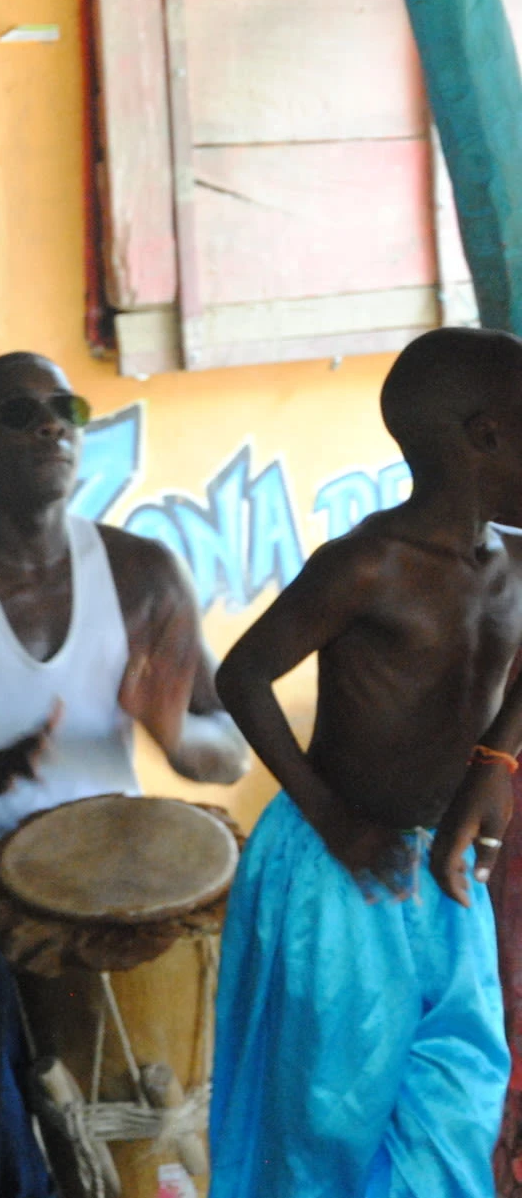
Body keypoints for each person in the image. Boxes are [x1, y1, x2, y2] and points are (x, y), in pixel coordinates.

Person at [0, 351, 247, 1198]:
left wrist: (174, 732)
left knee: (264, 925)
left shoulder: (145, 573)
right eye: (21, 414)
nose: (52, 426)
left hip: (124, 856)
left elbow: (229, 749)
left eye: (64, 408)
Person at [210, 328, 522, 1198]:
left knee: (457, 1097)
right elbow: (243, 675)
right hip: (336, 868)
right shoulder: (369, 564)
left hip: (445, 873)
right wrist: (334, 817)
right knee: (326, 1127)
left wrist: (495, 760)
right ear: (485, 436)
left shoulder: (514, 562)